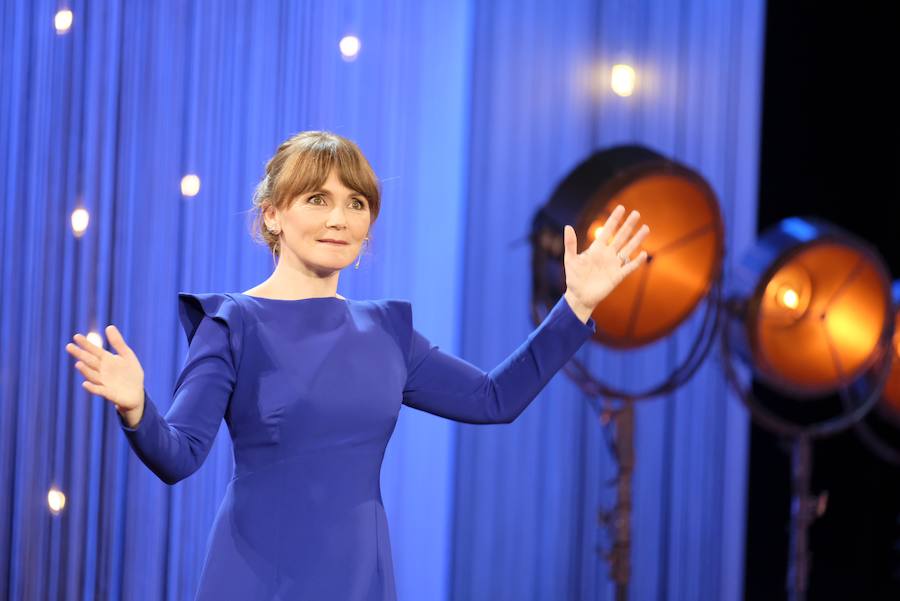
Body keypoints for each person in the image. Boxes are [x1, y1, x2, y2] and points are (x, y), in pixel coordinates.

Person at [64, 131, 650, 600]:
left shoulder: (386, 331)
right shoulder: (232, 324)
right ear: (273, 215)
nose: (339, 218)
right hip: (257, 577)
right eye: (317, 199)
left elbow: (495, 400)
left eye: (356, 203)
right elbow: (179, 456)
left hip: (359, 578)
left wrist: (576, 306)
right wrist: (138, 408)